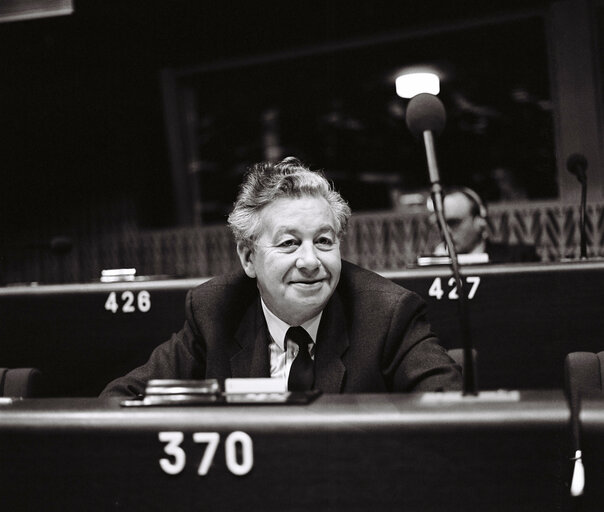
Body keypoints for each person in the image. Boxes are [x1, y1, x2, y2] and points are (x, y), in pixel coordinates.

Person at [100, 157, 461, 397]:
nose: (310, 261)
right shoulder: (214, 310)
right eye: (289, 243)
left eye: (323, 241)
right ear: (248, 257)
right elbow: (119, 399)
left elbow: (448, 407)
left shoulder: (387, 313)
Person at [432, 187, 540, 264]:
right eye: (441, 225)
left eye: (453, 223)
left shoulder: (519, 258)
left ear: (480, 221)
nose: (445, 231)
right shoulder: (435, 263)